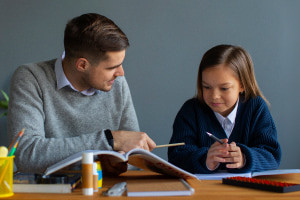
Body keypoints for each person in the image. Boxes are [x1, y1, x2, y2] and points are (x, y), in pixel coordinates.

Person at [7, 13, 156, 174]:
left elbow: (133, 153)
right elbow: (26, 154)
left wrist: (120, 161)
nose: (120, 73)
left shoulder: (116, 82)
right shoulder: (31, 78)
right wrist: (109, 140)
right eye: (112, 67)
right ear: (82, 65)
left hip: (105, 191)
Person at [168, 44, 281, 174]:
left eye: (224, 88)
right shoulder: (190, 111)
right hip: (202, 192)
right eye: (207, 87)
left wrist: (244, 158)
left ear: (242, 85)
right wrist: (205, 159)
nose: (214, 96)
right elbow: (176, 157)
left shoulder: (256, 108)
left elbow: (272, 156)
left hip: (248, 192)